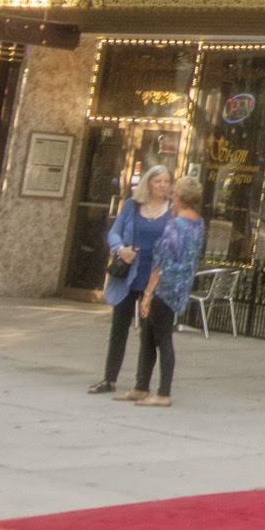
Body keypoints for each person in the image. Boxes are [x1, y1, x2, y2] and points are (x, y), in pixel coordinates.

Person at [115, 173, 204, 408]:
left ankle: (163, 392)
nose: (171, 198)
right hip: (180, 285)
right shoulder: (198, 223)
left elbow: (160, 261)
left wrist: (148, 294)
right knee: (148, 335)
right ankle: (141, 386)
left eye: (174, 194)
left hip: (165, 287)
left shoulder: (176, 225)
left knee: (162, 338)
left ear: (181, 198)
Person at [88, 165, 178, 396]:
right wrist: (120, 249)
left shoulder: (173, 210)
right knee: (119, 327)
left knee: (149, 333)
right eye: (158, 181)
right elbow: (114, 232)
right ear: (148, 183)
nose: (162, 185)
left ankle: (142, 384)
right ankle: (110, 378)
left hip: (155, 278)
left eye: (166, 181)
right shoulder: (132, 206)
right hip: (130, 274)